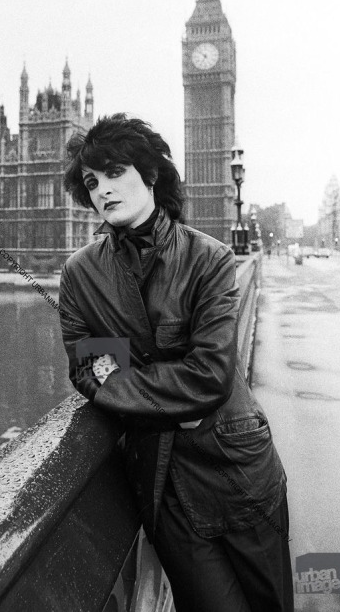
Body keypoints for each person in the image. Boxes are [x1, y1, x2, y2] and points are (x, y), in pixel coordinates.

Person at [59, 113, 293, 612]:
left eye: (116, 172)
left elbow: (210, 378)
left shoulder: (208, 257)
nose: (103, 189)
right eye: (92, 181)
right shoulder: (79, 273)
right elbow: (86, 370)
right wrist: (170, 398)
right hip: (162, 487)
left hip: (238, 470)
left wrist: (123, 383)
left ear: (151, 175)